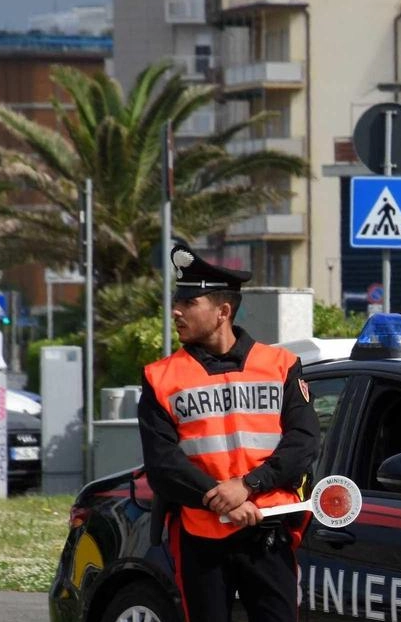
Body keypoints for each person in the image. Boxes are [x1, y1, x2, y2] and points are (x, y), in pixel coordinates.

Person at [138, 246, 319, 622]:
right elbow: (163, 465)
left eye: (189, 302)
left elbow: (303, 443)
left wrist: (249, 485)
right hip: (200, 537)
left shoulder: (281, 366)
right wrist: (226, 501)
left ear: (223, 311)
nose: (176, 311)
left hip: (267, 531)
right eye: (177, 301)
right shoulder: (160, 377)